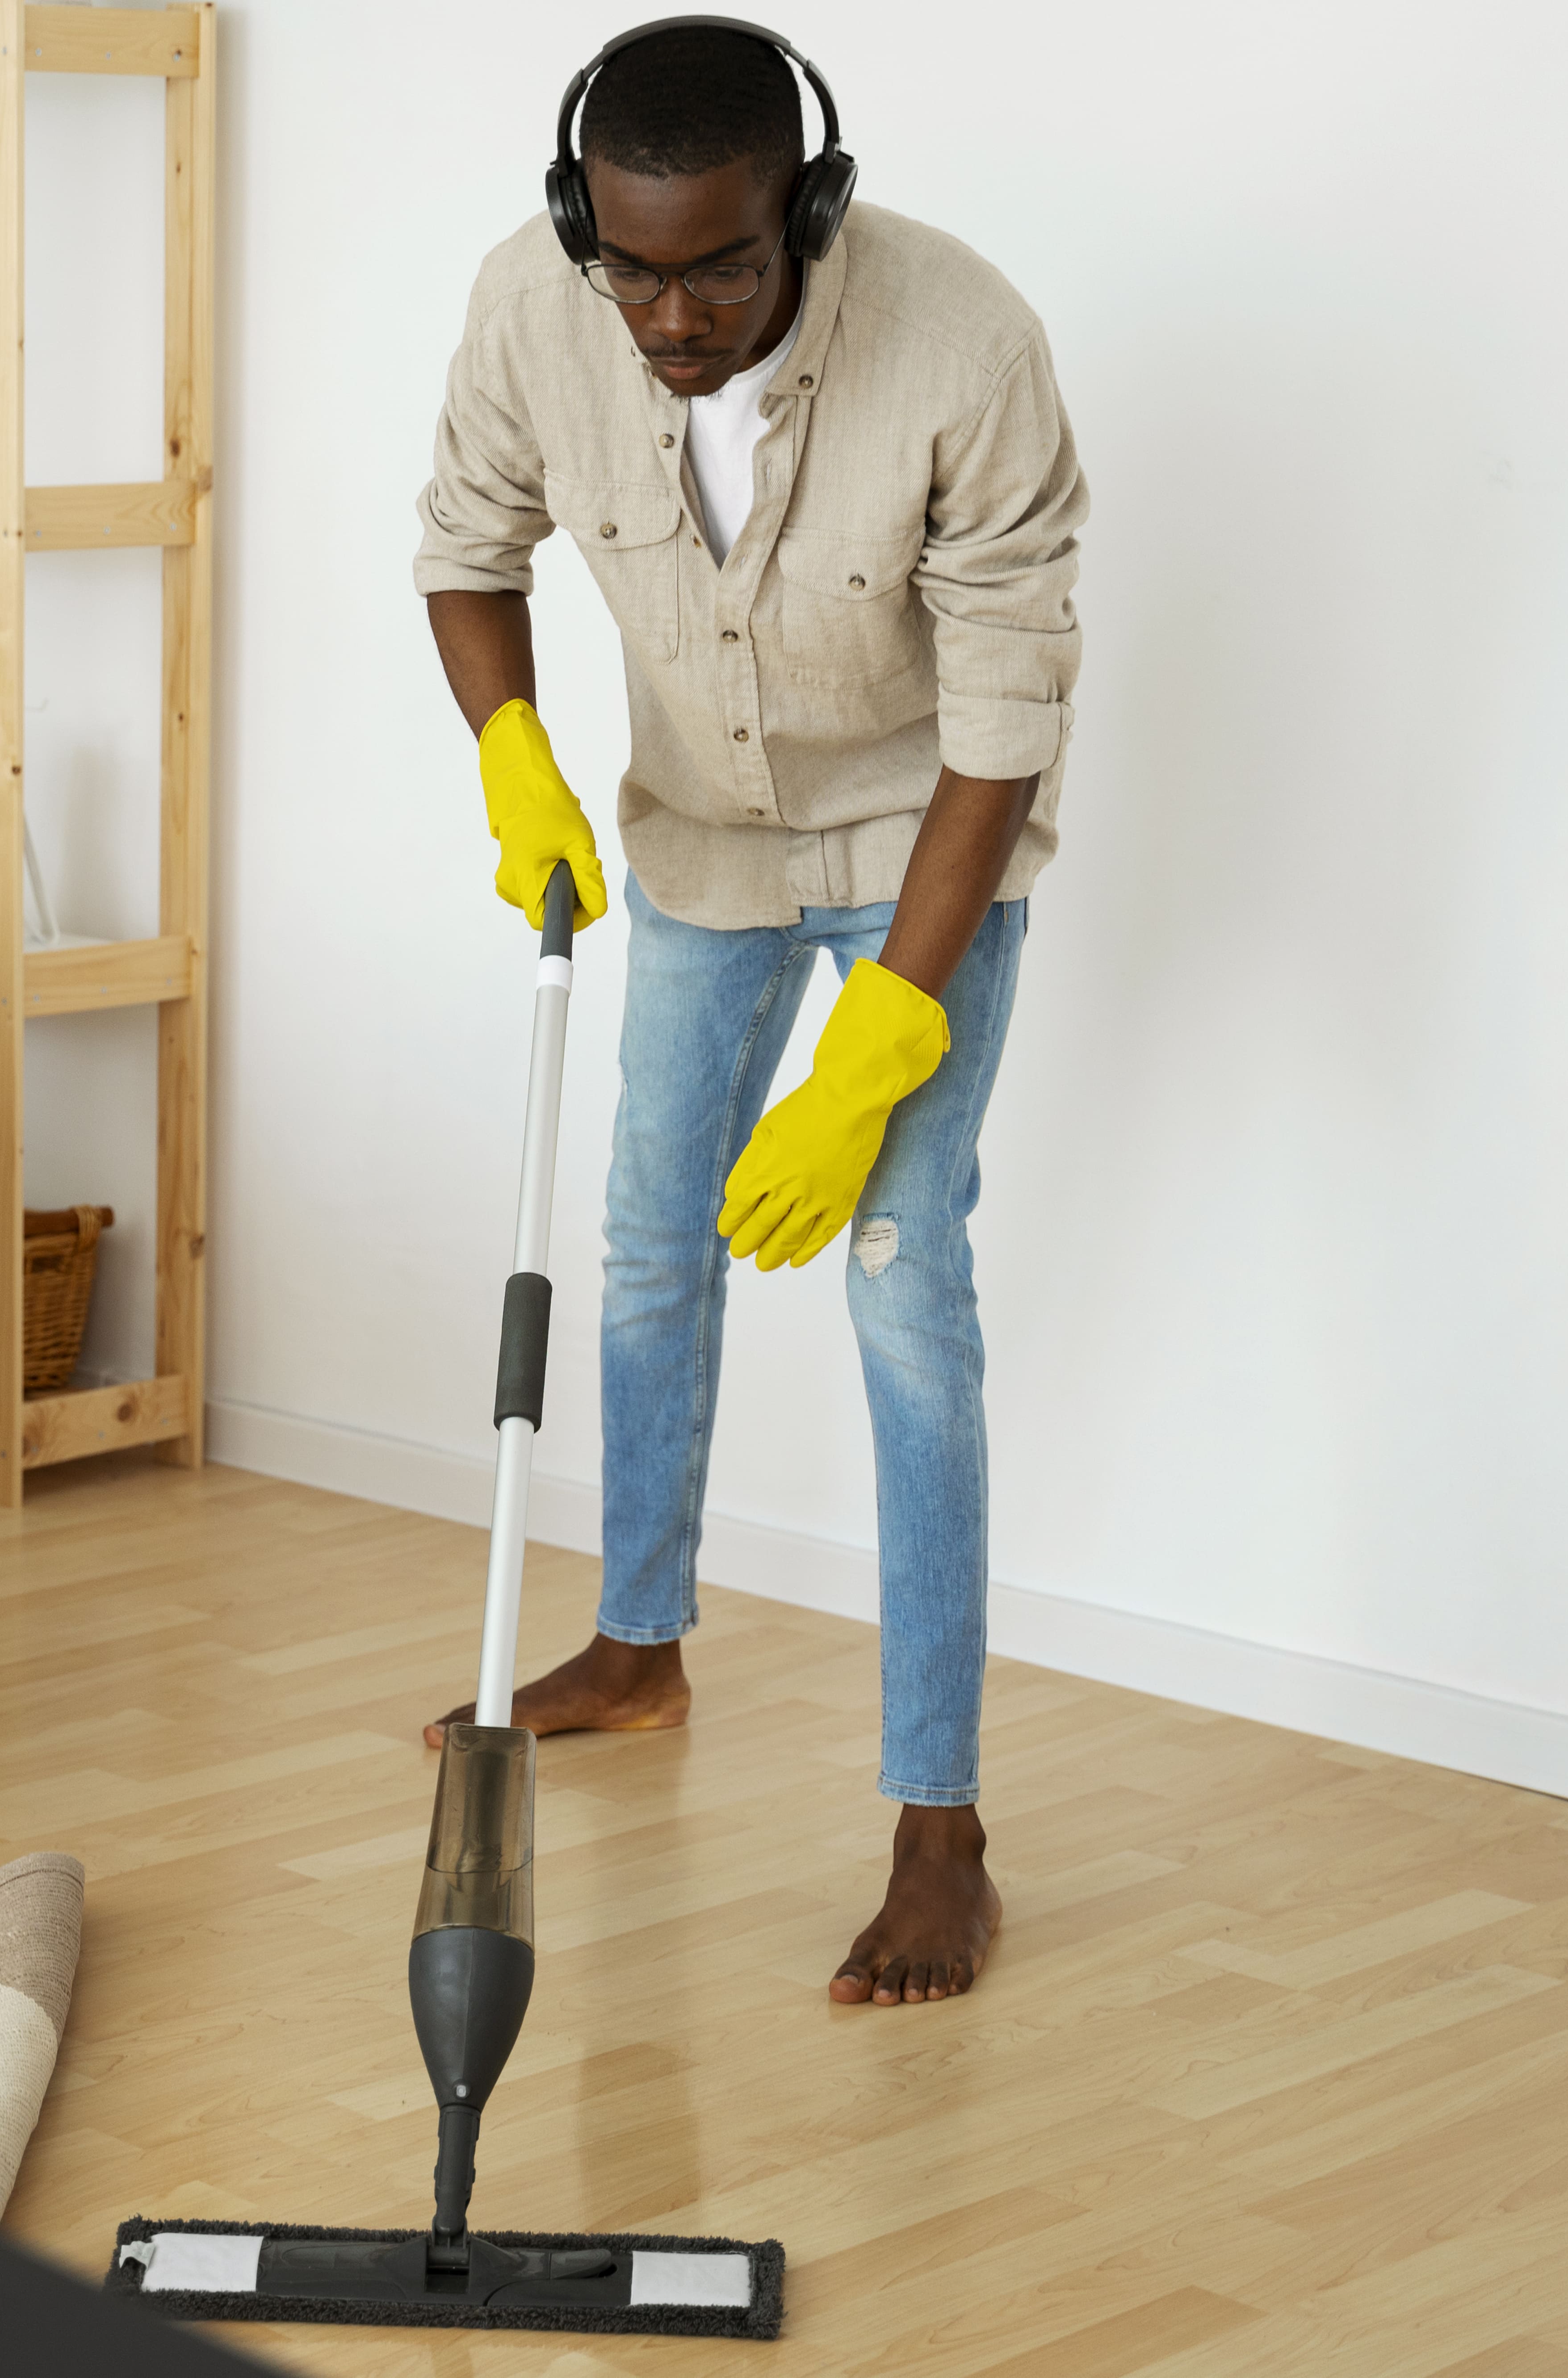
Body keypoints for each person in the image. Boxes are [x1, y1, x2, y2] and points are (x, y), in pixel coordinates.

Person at [412, 18, 1087, 2008]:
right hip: (699, 842)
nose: (673, 316)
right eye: (631, 267)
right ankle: (637, 1637)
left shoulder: (965, 348)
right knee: (644, 1246)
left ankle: (939, 1826)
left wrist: (886, 1030)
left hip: (922, 849)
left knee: (897, 1274)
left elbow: (1000, 728)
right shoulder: (539, 311)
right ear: (579, 224)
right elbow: (465, 548)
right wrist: (508, 750)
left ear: (805, 210)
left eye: (718, 266)